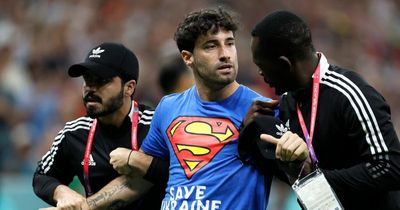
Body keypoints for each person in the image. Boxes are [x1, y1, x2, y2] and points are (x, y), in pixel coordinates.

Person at [109, 7, 309, 210]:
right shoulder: (168, 108)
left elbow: (301, 177)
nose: (225, 54)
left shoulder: (264, 110)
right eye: (211, 46)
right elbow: (142, 180)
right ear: (188, 57)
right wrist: (88, 205)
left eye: (229, 43)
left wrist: (299, 158)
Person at [250, 10, 400, 209]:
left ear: (285, 64)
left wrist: (318, 179)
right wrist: (253, 129)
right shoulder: (287, 103)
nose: (260, 72)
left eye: (262, 65)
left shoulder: (349, 93)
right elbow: (296, 175)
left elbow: (391, 167)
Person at [32, 42, 168, 210]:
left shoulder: (156, 124)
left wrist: (136, 160)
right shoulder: (74, 133)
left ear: (129, 87)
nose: (90, 88)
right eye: (87, 79)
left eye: (101, 80)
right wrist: (62, 193)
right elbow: (41, 176)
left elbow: (179, 171)